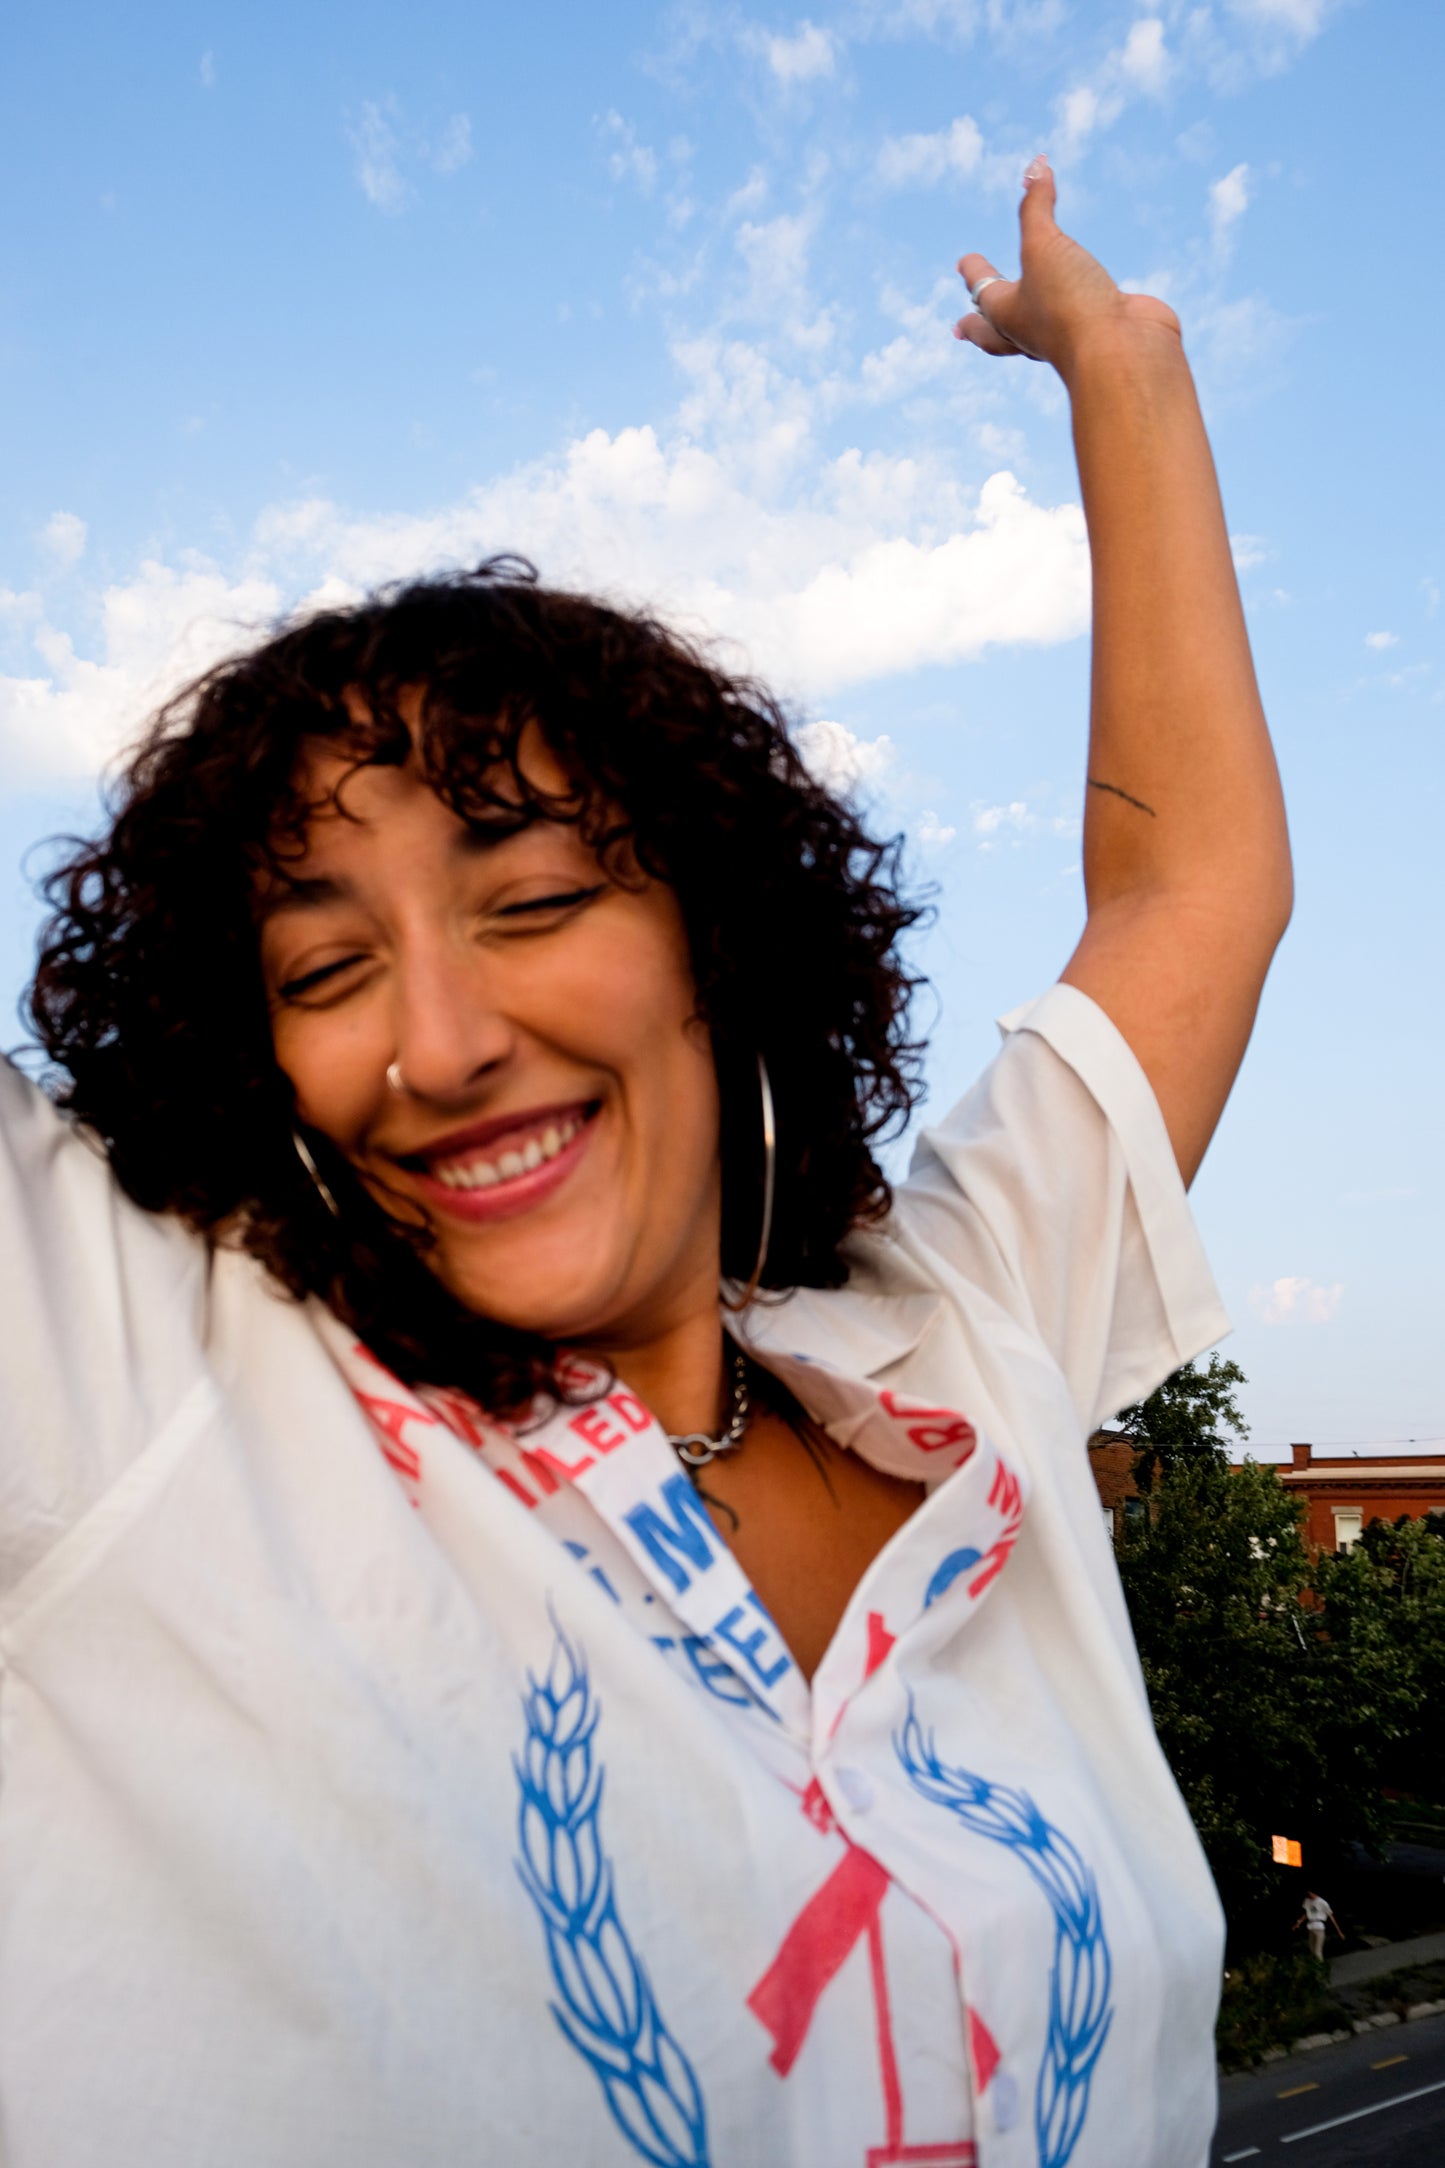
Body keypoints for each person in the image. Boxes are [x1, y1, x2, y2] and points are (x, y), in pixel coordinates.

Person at [0, 159, 1290, 2168]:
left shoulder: (954, 1341)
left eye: (529, 899)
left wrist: (1117, 370)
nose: (437, 1043)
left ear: (715, 938)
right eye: (327, 966)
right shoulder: (123, 1378)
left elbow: (1186, 884)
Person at [1296, 1891, 1343, 1963]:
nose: (1310, 1895)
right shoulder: (1307, 1901)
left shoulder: (1322, 1902)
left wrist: (1339, 1931)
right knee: (1312, 1949)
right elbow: (1307, 1913)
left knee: (1317, 1951)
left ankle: (1321, 1967)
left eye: (1311, 1893)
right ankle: (1314, 1967)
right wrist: (1299, 1922)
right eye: (1308, 1894)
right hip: (1311, 1927)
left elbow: (1331, 1917)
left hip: (1319, 1928)